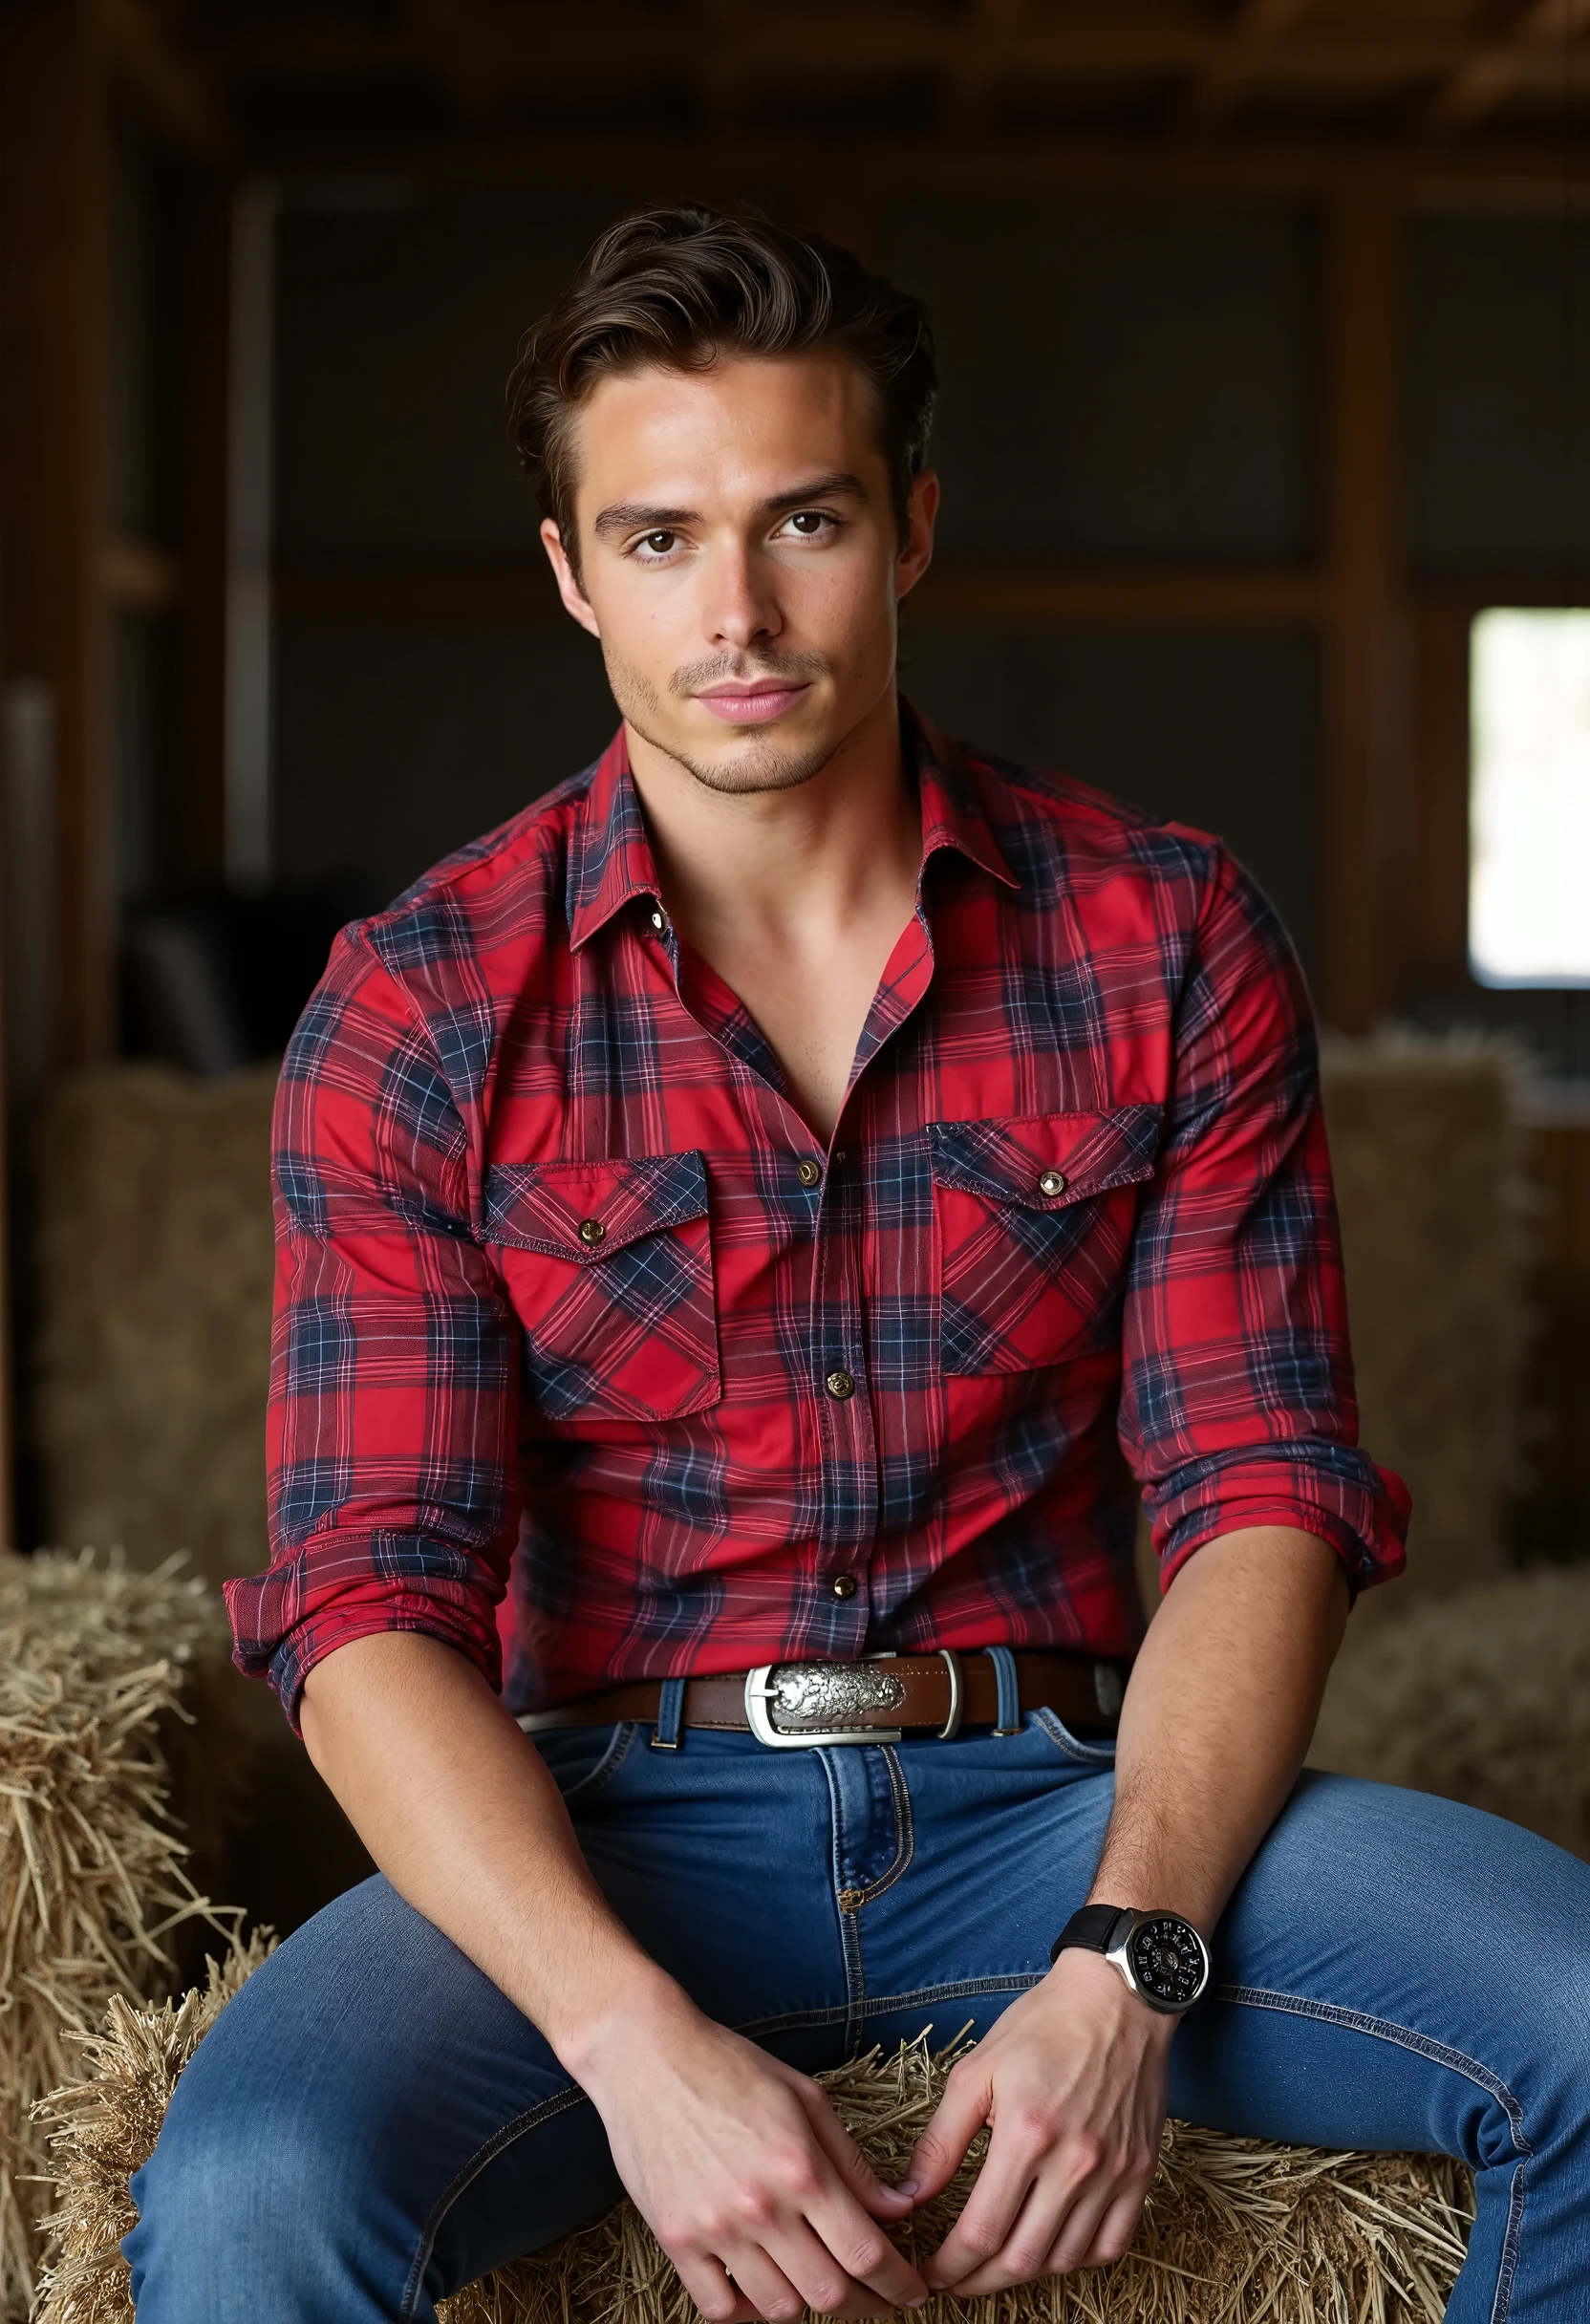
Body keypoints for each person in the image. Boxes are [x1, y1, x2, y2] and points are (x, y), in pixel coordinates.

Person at [128, 207, 1590, 2324]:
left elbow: (1260, 1487)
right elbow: (365, 1608)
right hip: (613, 1830)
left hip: (1064, 1805)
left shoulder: (1160, 936)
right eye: (653, 539)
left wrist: (1129, 1960)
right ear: (566, 571)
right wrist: (626, 2041)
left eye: (797, 518)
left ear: (908, 524)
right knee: (259, 2183)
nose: (733, 609)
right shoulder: (422, 1004)